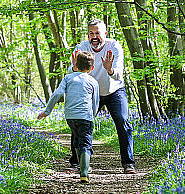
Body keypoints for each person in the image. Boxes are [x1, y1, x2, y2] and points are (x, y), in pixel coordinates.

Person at [69, 19, 136, 174]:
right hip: (91, 92)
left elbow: (119, 75)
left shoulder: (114, 46)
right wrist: (74, 68)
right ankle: (76, 162)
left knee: (122, 121)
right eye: (91, 33)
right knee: (80, 122)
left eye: (98, 33)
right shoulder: (81, 48)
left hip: (114, 90)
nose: (94, 37)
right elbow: (70, 73)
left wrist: (110, 69)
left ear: (105, 33)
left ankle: (128, 163)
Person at [37, 51, 100, 183]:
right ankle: (84, 171)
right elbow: (95, 102)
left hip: (70, 117)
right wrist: (93, 115)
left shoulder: (68, 78)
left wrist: (47, 111)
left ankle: (82, 165)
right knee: (86, 143)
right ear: (92, 68)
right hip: (85, 117)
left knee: (77, 140)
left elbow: (56, 94)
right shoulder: (93, 81)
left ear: (75, 65)